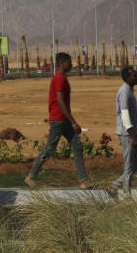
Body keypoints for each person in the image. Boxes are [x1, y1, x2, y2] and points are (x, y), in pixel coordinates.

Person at [25, 52, 91, 189]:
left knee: (77, 146)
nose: (71, 65)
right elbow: (60, 101)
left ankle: (83, 180)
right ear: (62, 63)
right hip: (59, 119)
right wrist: (73, 122)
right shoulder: (59, 79)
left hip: (63, 119)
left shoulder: (61, 78)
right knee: (50, 148)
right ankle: (31, 176)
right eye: (69, 62)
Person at [108, 67, 137, 197]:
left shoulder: (129, 91)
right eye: (134, 75)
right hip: (127, 133)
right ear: (127, 78)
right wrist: (132, 135)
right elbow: (124, 114)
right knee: (129, 166)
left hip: (131, 132)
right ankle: (127, 196)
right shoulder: (124, 92)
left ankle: (115, 185)